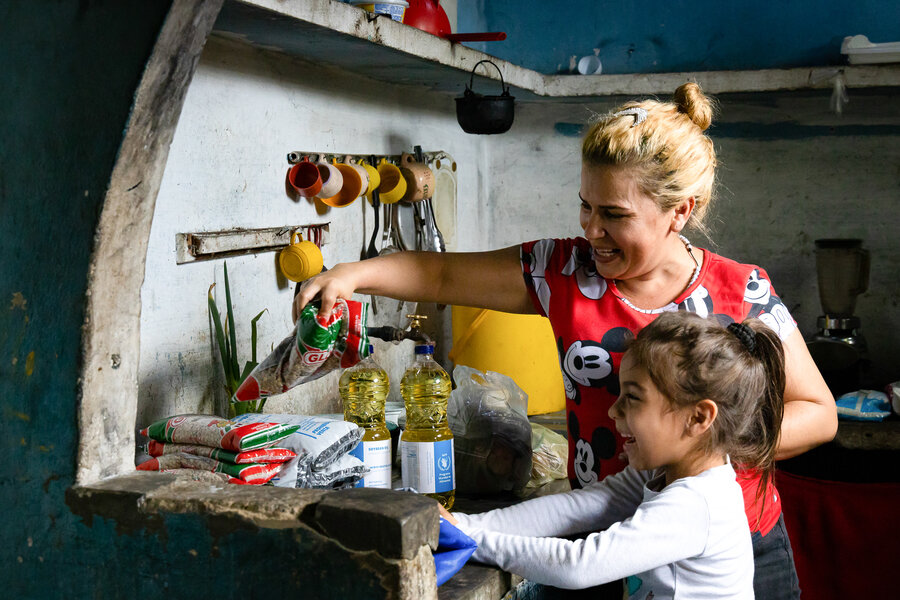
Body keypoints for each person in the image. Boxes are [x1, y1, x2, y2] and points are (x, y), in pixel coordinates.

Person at [293, 82, 837, 598]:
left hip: (731, 538)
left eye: (615, 215)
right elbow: (440, 276)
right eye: (587, 206)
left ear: (680, 211)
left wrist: (703, 447)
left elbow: (819, 412)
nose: (592, 230)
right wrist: (350, 275)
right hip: (597, 521)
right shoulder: (563, 270)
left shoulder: (742, 291)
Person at [440, 312, 785, 599]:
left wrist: (472, 539)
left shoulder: (697, 504)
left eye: (632, 398)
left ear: (698, 417)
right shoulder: (666, 475)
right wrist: (463, 525)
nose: (613, 412)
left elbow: (577, 565)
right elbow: (573, 509)